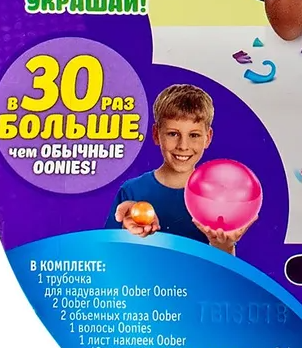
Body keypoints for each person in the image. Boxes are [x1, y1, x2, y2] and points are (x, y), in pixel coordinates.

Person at [107, 84, 253, 253]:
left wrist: (224, 246)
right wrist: (126, 235)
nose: (183, 146)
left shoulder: (218, 197)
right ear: (156, 134)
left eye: (194, 135)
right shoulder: (131, 191)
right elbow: (107, 255)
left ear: (208, 138)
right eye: (173, 134)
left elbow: (222, 265)